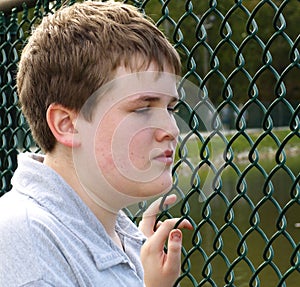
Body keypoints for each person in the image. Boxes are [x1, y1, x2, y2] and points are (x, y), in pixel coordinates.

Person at [0, 1, 193, 286]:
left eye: (171, 108)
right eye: (142, 108)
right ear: (67, 124)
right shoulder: (27, 247)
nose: (171, 129)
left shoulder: (114, 231)